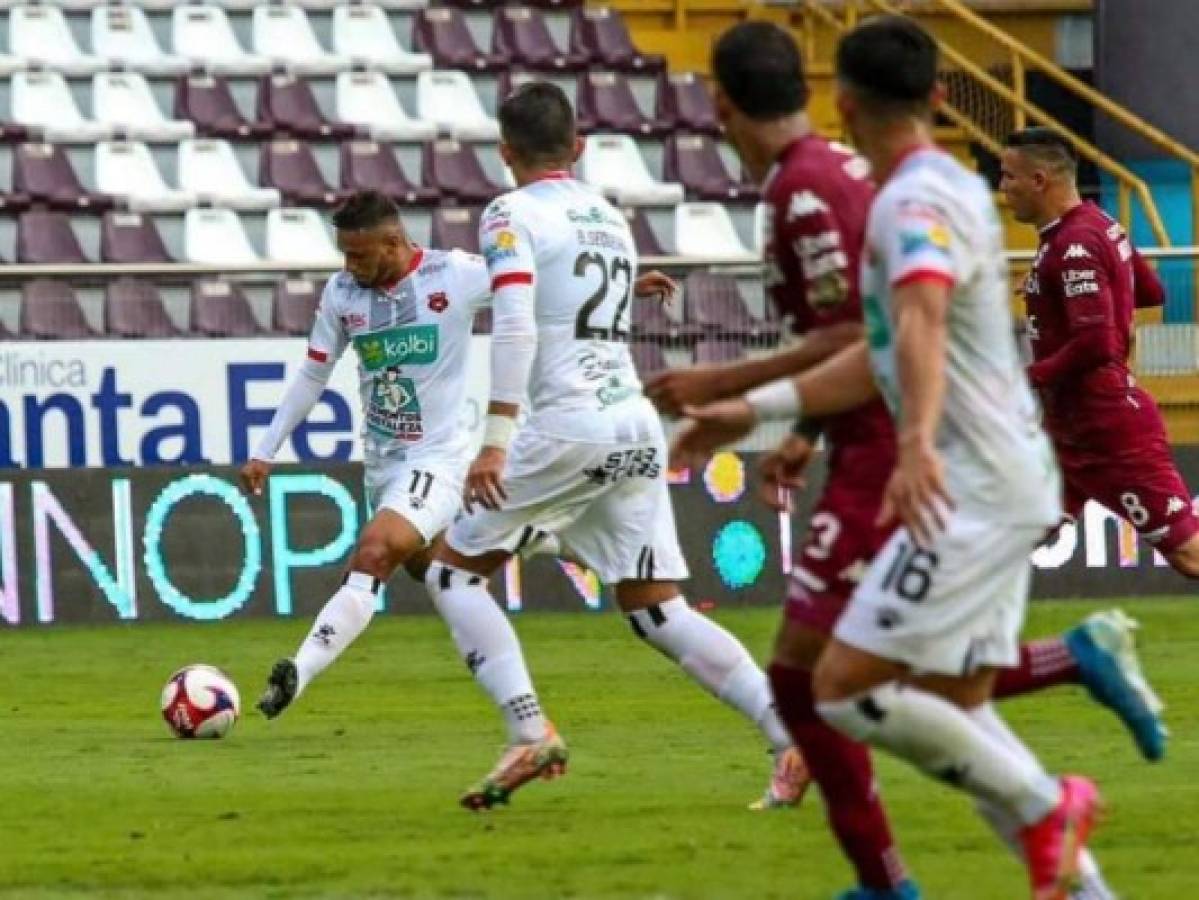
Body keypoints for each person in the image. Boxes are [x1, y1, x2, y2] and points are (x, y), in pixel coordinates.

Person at [656, 20, 1148, 900]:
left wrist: (913, 445)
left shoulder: (906, 203)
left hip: (972, 481)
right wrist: (747, 406)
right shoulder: (947, 185)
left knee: (841, 685)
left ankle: (1045, 805)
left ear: (840, 100)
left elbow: (911, 320)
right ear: (934, 97)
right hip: (1001, 472)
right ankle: (1084, 885)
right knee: (948, 700)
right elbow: (877, 346)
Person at [422, 80, 803, 812]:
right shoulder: (609, 216)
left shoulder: (508, 213)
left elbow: (517, 324)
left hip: (569, 425)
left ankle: (527, 729)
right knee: (658, 609)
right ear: (580, 147)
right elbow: (580, 302)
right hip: (633, 422)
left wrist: (495, 439)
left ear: (505, 154)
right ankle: (787, 736)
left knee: (452, 575)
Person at [243, 190, 492, 718]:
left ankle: (299, 671)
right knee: (448, 572)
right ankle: (545, 534)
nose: (349, 266)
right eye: (344, 254)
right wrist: (266, 449)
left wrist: (625, 289)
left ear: (394, 241)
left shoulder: (457, 275)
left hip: (436, 457)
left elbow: (534, 288)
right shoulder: (341, 294)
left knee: (374, 551)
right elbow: (314, 373)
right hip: (382, 466)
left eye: (359, 255)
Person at [1000, 126, 1199, 584]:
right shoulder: (1100, 227)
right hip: (1067, 427)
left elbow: (1097, 344)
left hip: (1106, 429)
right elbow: (1150, 291)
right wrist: (1048, 297)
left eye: (1009, 177)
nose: (1003, 188)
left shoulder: (1074, 245)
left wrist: (1024, 378)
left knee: (1189, 556)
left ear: (1040, 181)